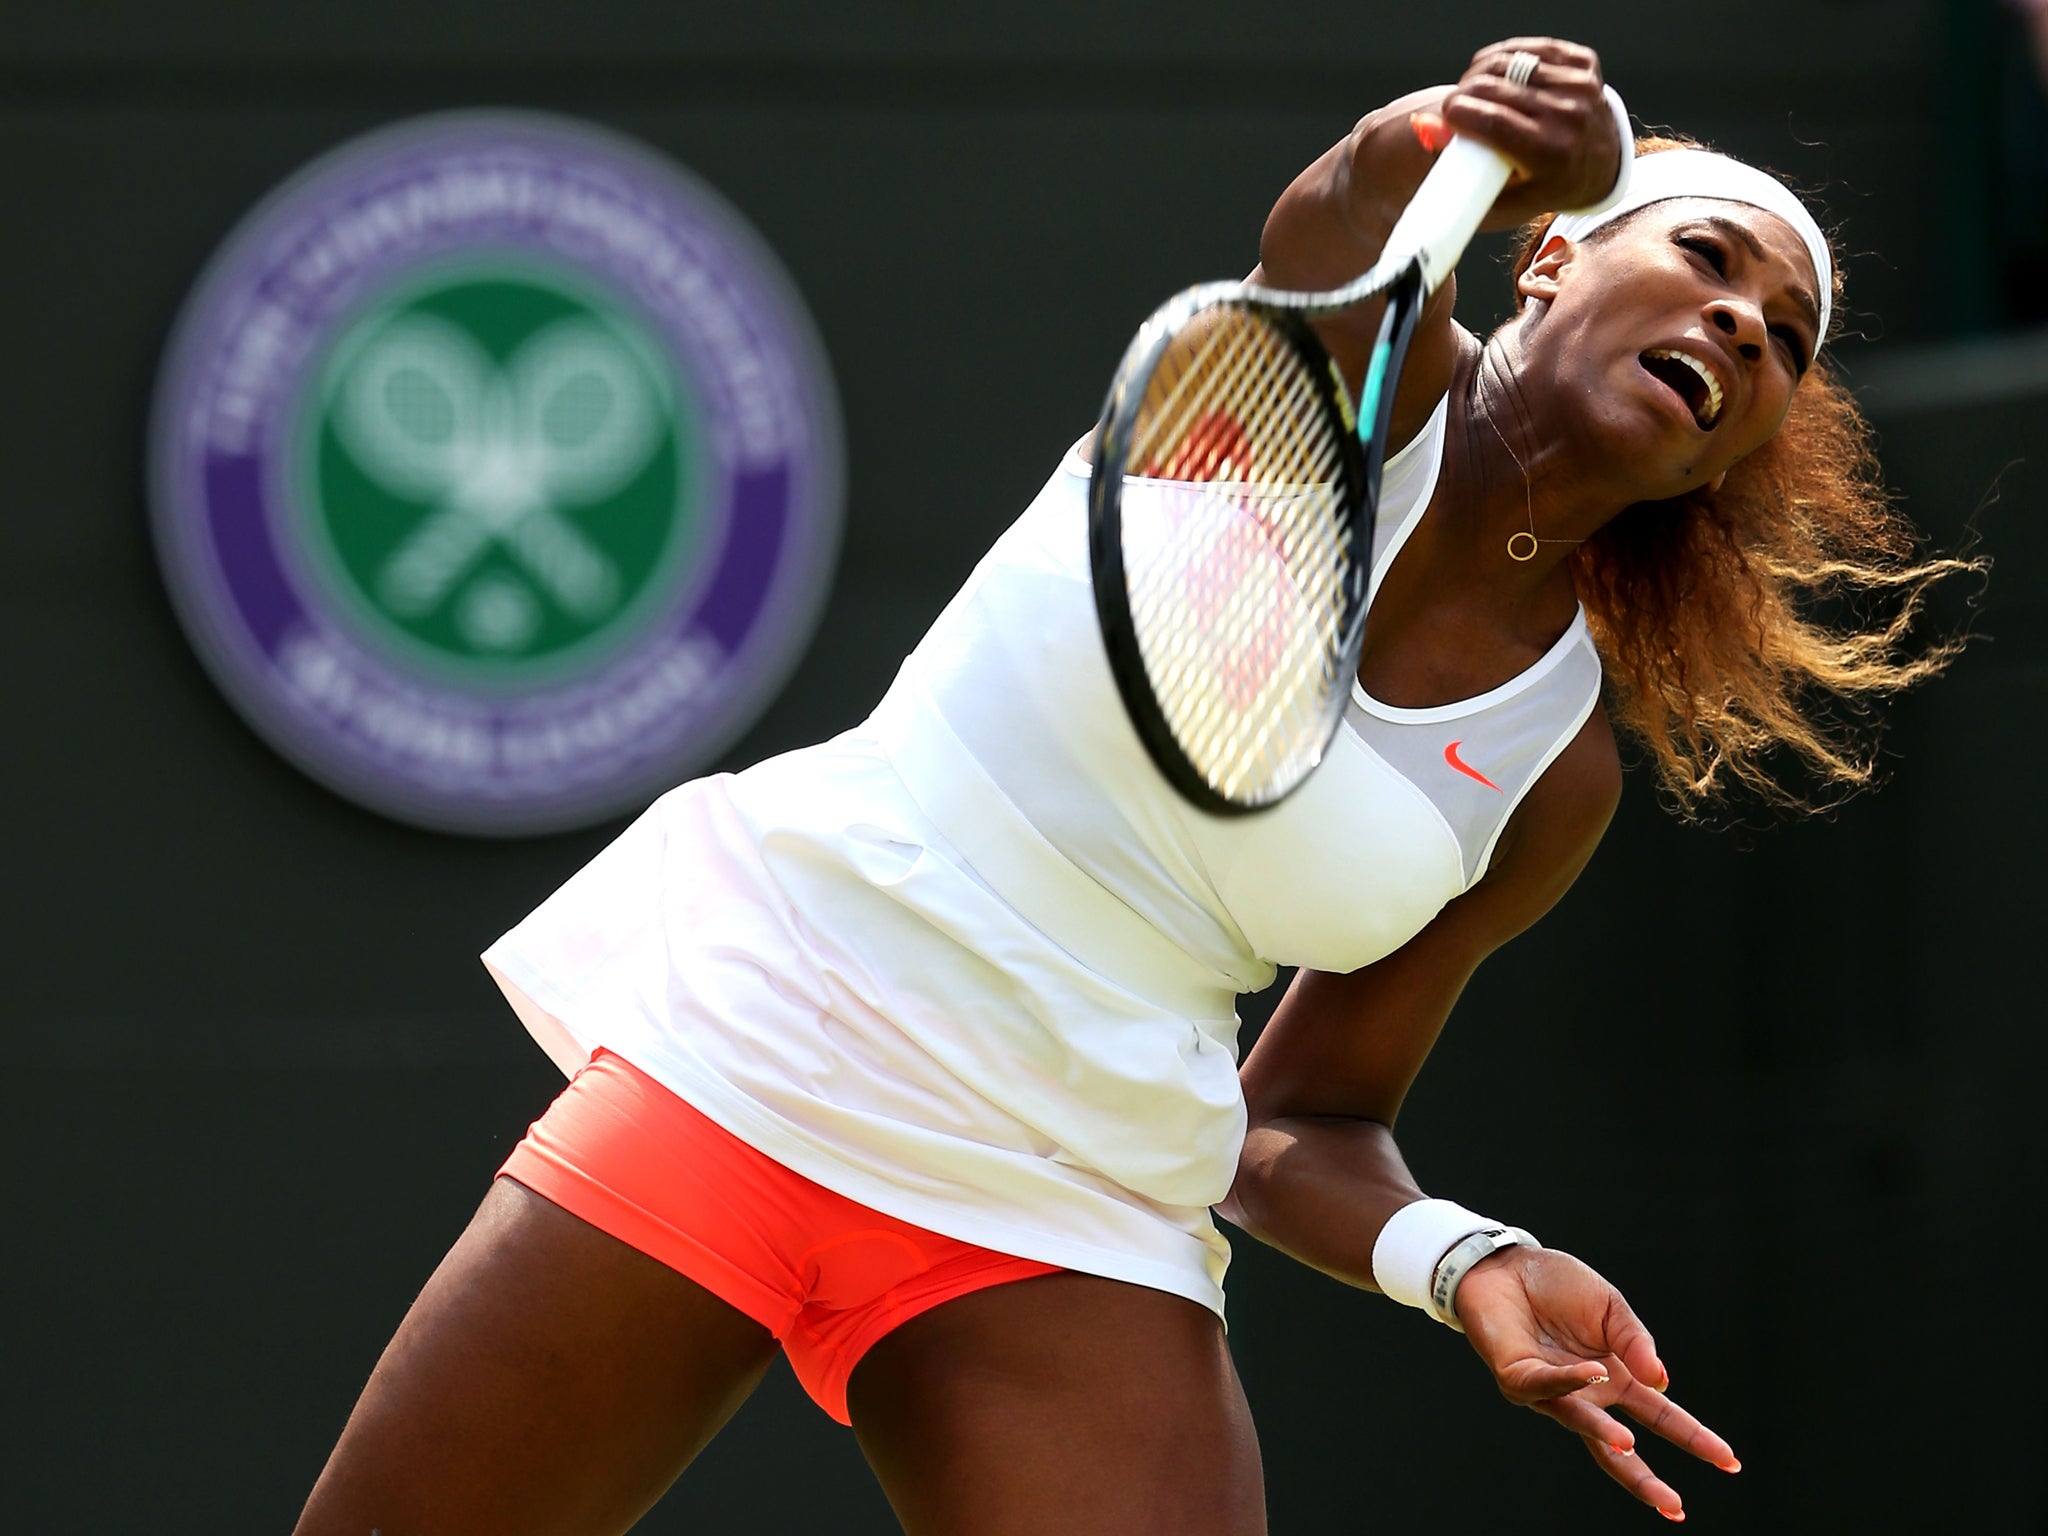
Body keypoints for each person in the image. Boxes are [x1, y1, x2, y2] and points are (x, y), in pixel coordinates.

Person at [297, 37, 1973, 1536]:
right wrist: (1466, 131)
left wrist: (1461, 1257)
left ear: (1743, 441)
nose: (1744, 323)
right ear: (1546, 259)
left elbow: (1302, 1120)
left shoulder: (1552, 775)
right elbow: (1340, 209)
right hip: (768, 1035)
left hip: (1073, 1198)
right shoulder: (1320, 368)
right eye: (1704, 257)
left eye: (1784, 340)